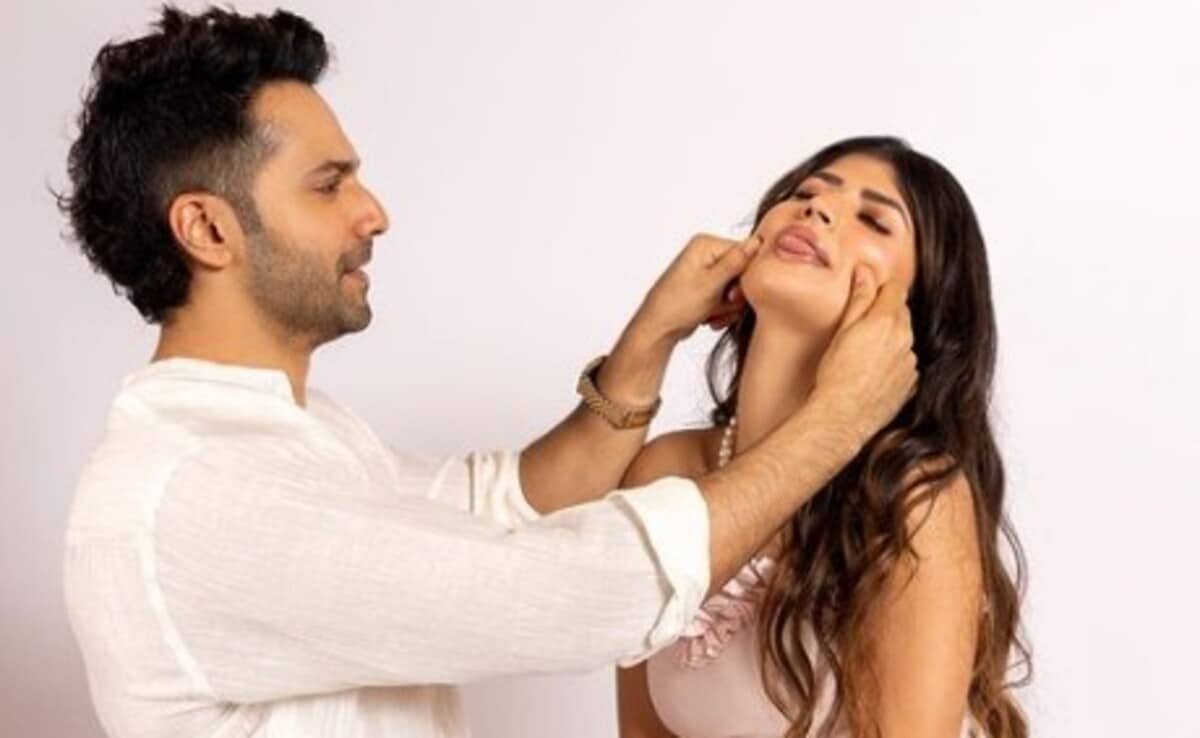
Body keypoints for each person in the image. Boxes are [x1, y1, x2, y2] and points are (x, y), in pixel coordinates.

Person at [58, 9, 916, 738]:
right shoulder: (195, 496)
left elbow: (505, 506)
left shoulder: (300, 437)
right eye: (328, 186)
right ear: (208, 230)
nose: (373, 213)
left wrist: (649, 341)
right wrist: (838, 421)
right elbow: (582, 595)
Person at [616, 137, 1031, 738]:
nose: (816, 209)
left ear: (916, 313)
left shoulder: (912, 500)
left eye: (874, 220)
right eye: (805, 193)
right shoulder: (666, 472)